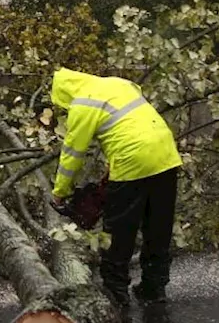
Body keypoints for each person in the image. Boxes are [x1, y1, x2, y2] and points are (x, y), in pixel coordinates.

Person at [48, 67, 183, 307]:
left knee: (119, 231)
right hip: (166, 154)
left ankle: (115, 293)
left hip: (132, 163)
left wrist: (60, 193)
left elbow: (72, 154)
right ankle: (155, 287)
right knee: (158, 226)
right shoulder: (119, 84)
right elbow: (131, 123)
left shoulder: (82, 104)